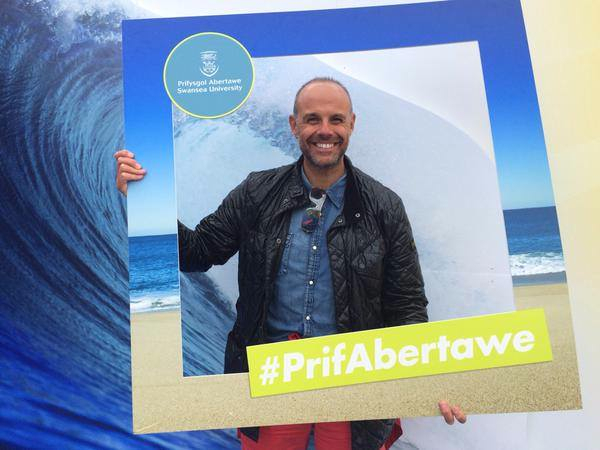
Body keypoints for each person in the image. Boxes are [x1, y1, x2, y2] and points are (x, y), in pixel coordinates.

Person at [115, 77, 466, 450]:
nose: (325, 131)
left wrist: (430, 381)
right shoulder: (257, 192)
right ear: (294, 125)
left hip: (354, 375)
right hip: (271, 373)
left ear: (351, 125)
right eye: (312, 119)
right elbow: (199, 251)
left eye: (336, 119)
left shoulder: (385, 207)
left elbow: (406, 306)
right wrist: (145, 203)